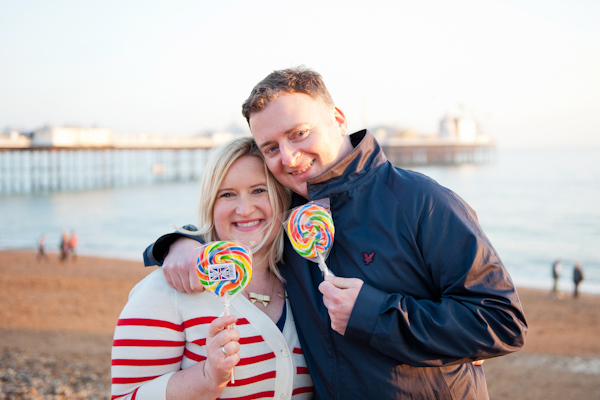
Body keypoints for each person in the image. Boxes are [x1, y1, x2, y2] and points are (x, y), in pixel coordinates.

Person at [143, 67, 527, 399]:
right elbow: (238, 221)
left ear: (339, 119)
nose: (289, 157)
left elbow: (501, 321)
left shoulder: (420, 201)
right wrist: (177, 243)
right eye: (271, 147)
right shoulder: (289, 216)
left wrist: (373, 314)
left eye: (299, 134)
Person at [112, 137, 312, 399]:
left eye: (259, 190)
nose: (245, 209)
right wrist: (207, 378)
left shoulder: (306, 283)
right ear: (211, 204)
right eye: (227, 194)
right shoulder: (169, 289)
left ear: (281, 196)